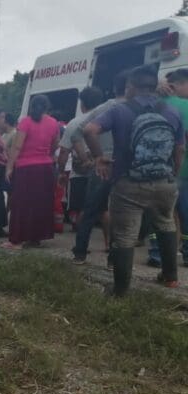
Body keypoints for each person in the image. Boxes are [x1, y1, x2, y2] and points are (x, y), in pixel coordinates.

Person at [84, 65, 184, 294]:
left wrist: (99, 158)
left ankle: (120, 289)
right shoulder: (171, 111)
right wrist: (173, 174)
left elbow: (89, 130)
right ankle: (170, 278)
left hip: (128, 182)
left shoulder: (120, 111)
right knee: (166, 223)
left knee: (125, 234)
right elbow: (179, 149)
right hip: (164, 181)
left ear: (130, 87)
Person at [71, 73, 129, 265]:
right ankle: (115, 257)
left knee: (90, 210)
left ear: (114, 88)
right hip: (124, 167)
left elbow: (78, 131)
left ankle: (80, 253)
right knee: (122, 212)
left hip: (102, 166)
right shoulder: (135, 109)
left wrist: (93, 157)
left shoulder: (103, 109)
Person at [5, 95, 60, 248]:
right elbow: (56, 143)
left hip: (25, 168)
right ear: (47, 107)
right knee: (41, 203)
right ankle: (36, 237)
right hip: (45, 167)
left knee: (21, 203)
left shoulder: (25, 122)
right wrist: (48, 154)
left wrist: (9, 167)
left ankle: (16, 240)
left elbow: (17, 147)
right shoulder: (53, 123)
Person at [57, 87, 105, 241]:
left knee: (81, 209)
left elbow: (64, 152)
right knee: (104, 208)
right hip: (102, 169)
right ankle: (108, 243)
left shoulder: (74, 123)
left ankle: (81, 243)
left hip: (79, 173)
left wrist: (61, 172)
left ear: (82, 103)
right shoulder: (107, 118)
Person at [153, 68, 188, 267]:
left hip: (156, 170)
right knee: (185, 214)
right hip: (182, 170)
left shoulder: (154, 103)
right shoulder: (185, 105)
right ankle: (187, 253)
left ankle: (156, 254)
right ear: (180, 85)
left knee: (160, 214)